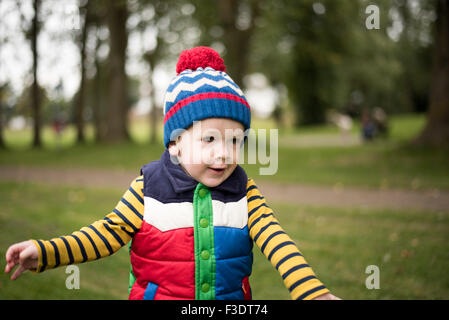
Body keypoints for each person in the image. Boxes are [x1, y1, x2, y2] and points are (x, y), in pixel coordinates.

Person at [4, 47, 339, 300]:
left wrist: (314, 293)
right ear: (176, 144)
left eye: (234, 141)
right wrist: (46, 252)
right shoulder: (148, 188)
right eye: (209, 139)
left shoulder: (244, 191)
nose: (223, 152)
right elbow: (103, 236)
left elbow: (279, 243)